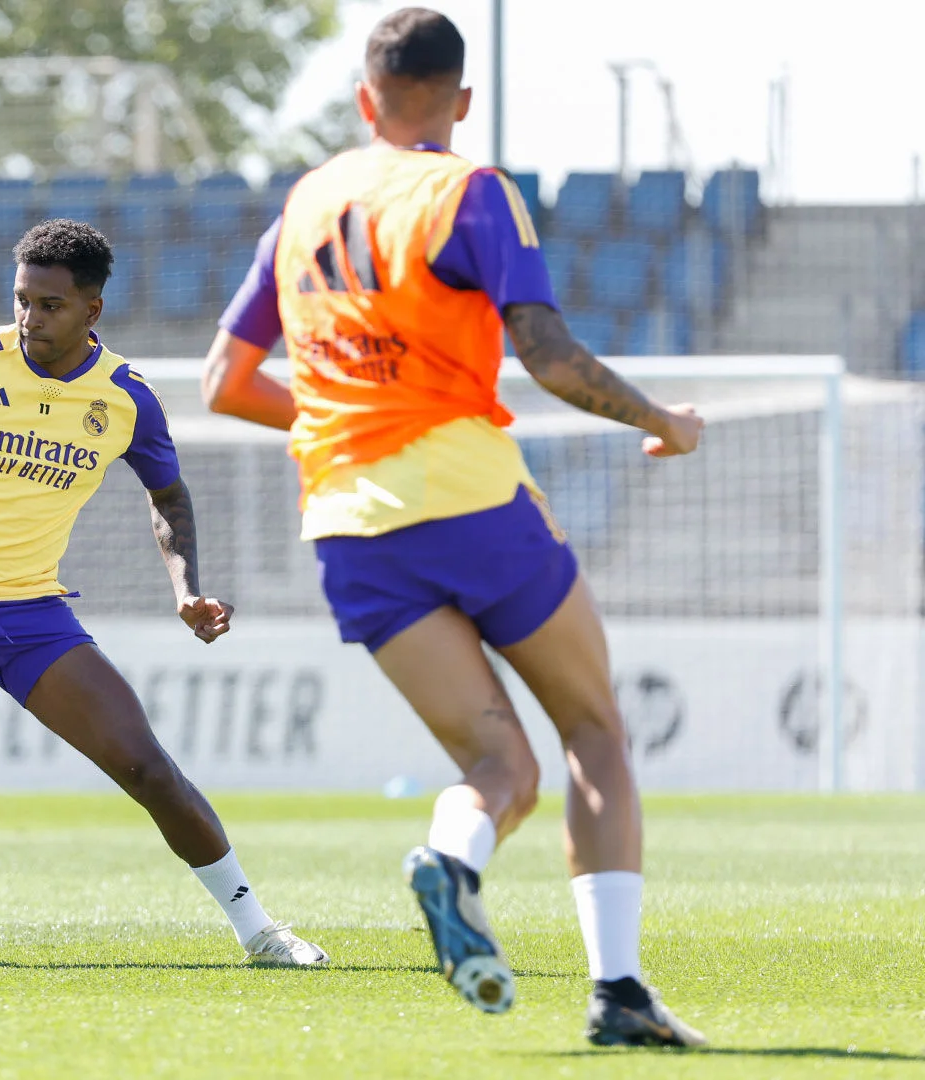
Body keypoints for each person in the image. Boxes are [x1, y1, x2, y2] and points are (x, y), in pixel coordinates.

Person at [202, 8, 706, 1046]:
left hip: (346, 523)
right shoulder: (469, 189)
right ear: (462, 101)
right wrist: (662, 422)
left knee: (498, 773)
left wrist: (350, 416)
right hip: (468, 497)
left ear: (362, 99)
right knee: (592, 732)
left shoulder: (304, 203)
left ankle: (453, 859)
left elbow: (226, 382)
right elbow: (551, 355)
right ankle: (618, 994)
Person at [0, 219, 328, 968]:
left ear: (92, 310)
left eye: (50, 305)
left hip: (29, 615)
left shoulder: (125, 398)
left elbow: (169, 498)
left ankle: (260, 932)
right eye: (22, 299)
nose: (30, 318)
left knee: (149, 770)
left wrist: (187, 587)